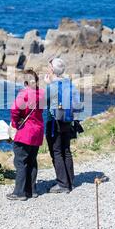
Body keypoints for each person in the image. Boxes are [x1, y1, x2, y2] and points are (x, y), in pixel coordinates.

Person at [7, 69, 45, 201]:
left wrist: (15, 123)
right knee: (32, 160)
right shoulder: (42, 93)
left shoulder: (24, 93)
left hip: (25, 131)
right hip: (38, 130)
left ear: (26, 82)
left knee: (20, 161)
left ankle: (19, 192)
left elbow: (15, 109)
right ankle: (31, 190)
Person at [45, 58, 82, 194]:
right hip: (68, 121)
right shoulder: (70, 84)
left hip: (54, 122)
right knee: (66, 150)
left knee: (56, 151)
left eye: (49, 67)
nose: (47, 69)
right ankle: (69, 180)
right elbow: (77, 103)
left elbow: (44, 102)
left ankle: (62, 184)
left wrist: (48, 84)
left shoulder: (51, 86)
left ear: (53, 70)